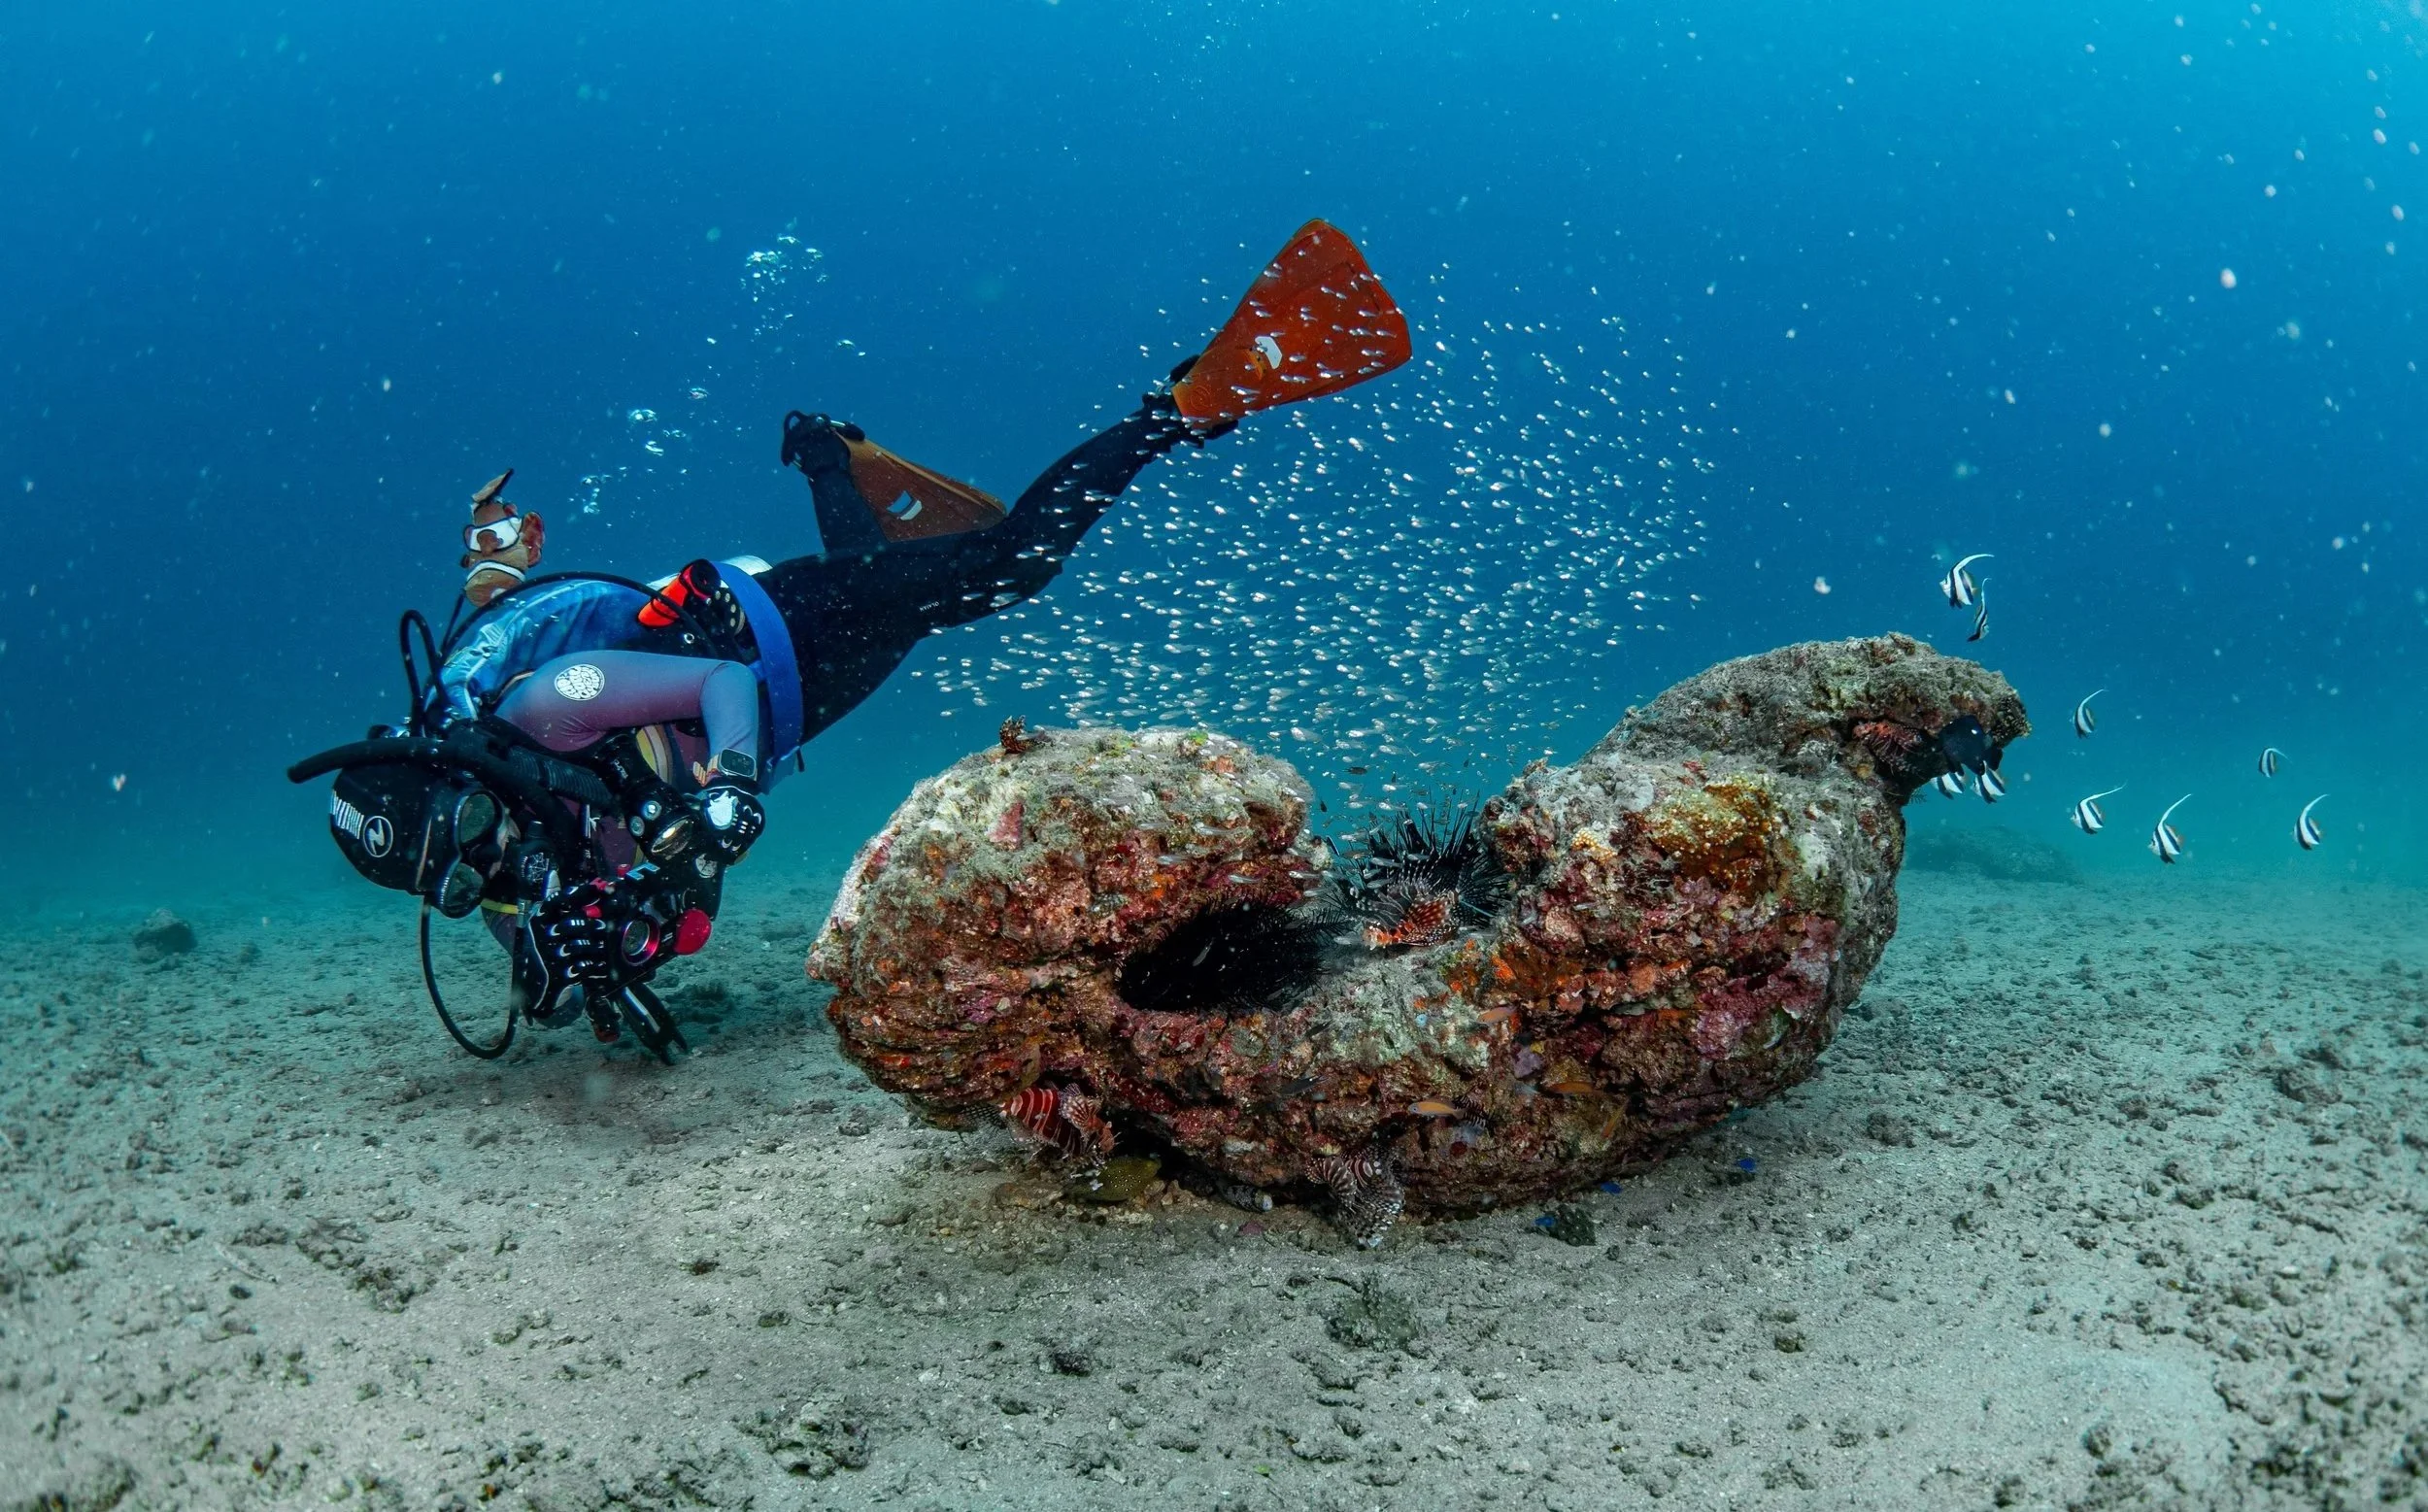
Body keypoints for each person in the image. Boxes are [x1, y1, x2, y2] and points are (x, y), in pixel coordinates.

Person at [300, 219, 1411, 1059]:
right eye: (457, 885)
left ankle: (1179, 408)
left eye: (473, 833)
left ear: (453, 776)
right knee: (912, 620)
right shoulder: (504, 872)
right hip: (805, 700)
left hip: (764, 631)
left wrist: (727, 791)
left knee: (1008, 567)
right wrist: (606, 939)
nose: (490, 867)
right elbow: (651, 939)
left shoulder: (547, 707)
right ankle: (826, 453)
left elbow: (719, 686)